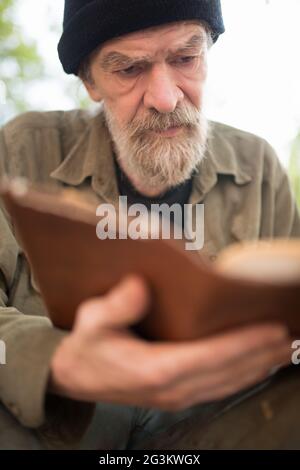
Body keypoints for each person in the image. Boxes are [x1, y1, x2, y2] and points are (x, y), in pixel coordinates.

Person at [0, 0, 299, 450]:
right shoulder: (19, 153)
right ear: (89, 82)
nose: (166, 97)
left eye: (185, 58)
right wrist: (57, 362)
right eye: (129, 69)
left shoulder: (259, 169)